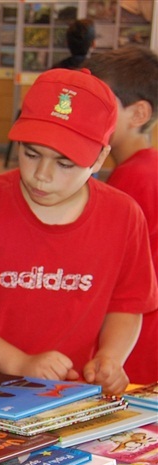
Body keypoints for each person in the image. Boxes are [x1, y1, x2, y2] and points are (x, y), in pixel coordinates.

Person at [0, 67, 157, 396]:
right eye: (31, 154)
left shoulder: (124, 215)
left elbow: (127, 304)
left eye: (64, 163)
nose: (41, 175)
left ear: (101, 157)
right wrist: (18, 362)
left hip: (71, 393)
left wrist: (110, 358)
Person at [85, 45, 158, 385]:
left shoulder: (132, 180)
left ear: (139, 113)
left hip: (136, 347)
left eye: (102, 102)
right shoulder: (146, 169)